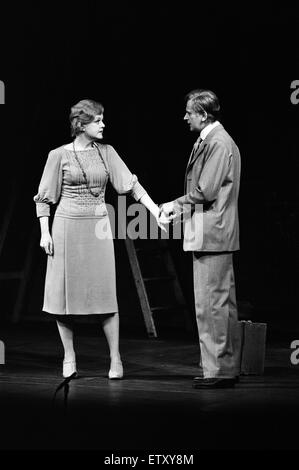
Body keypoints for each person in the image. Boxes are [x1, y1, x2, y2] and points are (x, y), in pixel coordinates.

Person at [34, 99, 167, 380]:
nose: (103, 124)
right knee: (63, 295)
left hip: (99, 228)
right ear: (81, 125)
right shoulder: (58, 155)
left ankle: (115, 358)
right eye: (97, 120)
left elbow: (130, 185)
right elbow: (45, 197)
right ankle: (69, 356)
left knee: (106, 294)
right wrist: (45, 232)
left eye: (102, 119)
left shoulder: (107, 152)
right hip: (66, 228)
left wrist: (155, 212)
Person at [159, 89, 241, 388]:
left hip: (212, 234)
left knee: (211, 306)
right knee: (220, 304)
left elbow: (205, 191)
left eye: (189, 112)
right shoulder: (210, 141)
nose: (185, 117)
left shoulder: (218, 143)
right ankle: (223, 367)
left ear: (203, 114)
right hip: (212, 232)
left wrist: (173, 205)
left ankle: (218, 371)